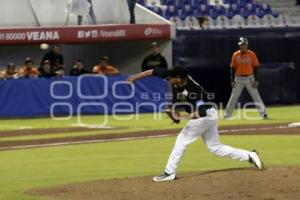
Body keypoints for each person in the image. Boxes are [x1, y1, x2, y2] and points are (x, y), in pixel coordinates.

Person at [127, 66, 263, 182]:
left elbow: (201, 112)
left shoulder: (192, 89)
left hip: (205, 115)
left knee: (182, 140)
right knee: (215, 147)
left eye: (171, 77)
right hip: (210, 115)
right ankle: (249, 155)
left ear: (179, 78)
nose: (167, 79)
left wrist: (182, 116)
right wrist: (134, 77)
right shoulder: (175, 76)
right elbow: (153, 71)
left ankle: (169, 173)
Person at [224, 37, 268, 119]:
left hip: (249, 78)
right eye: (241, 45)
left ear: (247, 45)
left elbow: (255, 67)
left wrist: (256, 79)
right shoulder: (235, 54)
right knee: (233, 97)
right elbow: (233, 68)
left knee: (256, 96)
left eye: (243, 45)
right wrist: (232, 80)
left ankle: (263, 113)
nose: (242, 46)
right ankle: (227, 114)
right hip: (238, 78)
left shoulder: (252, 54)